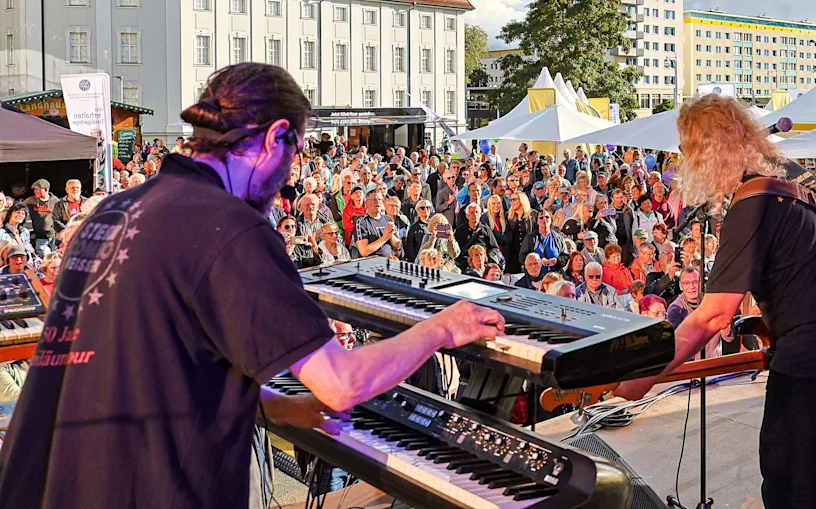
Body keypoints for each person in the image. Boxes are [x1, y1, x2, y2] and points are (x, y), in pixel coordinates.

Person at [0, 63, 505, 509]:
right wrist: (442, 327)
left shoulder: (111, 213)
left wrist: (274, 406)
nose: (288, 178)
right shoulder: (227, 226)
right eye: (295, 152)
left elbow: (149, 364)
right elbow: (342, 383)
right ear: (273, 137)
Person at [614, 93, 816, 509]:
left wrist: (641, 377)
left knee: (789, 484)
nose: (683, 160)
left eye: (687, 148)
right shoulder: (793, 175)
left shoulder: (751, 204)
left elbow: (713, 316)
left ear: (708, 149)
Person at [352, 188, 400, 259]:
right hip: (372, 264)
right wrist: (384, 237)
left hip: (389, 261)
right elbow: (364, 251)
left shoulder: (388, 219)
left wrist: (391, 234)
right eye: (374, 200)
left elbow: (397, 246)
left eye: (380, 199)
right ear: (367, 202)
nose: (377, 202)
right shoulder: (362, 221)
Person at [22, 179, 64, 256]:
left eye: (38, 190)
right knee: (46, 257)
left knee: (56, 258)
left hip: (54, 236)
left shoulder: (56, 201)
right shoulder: (30, 201)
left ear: (46, 189)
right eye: (34, 190)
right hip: (40, 237)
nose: (35, 192)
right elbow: (18, 208)